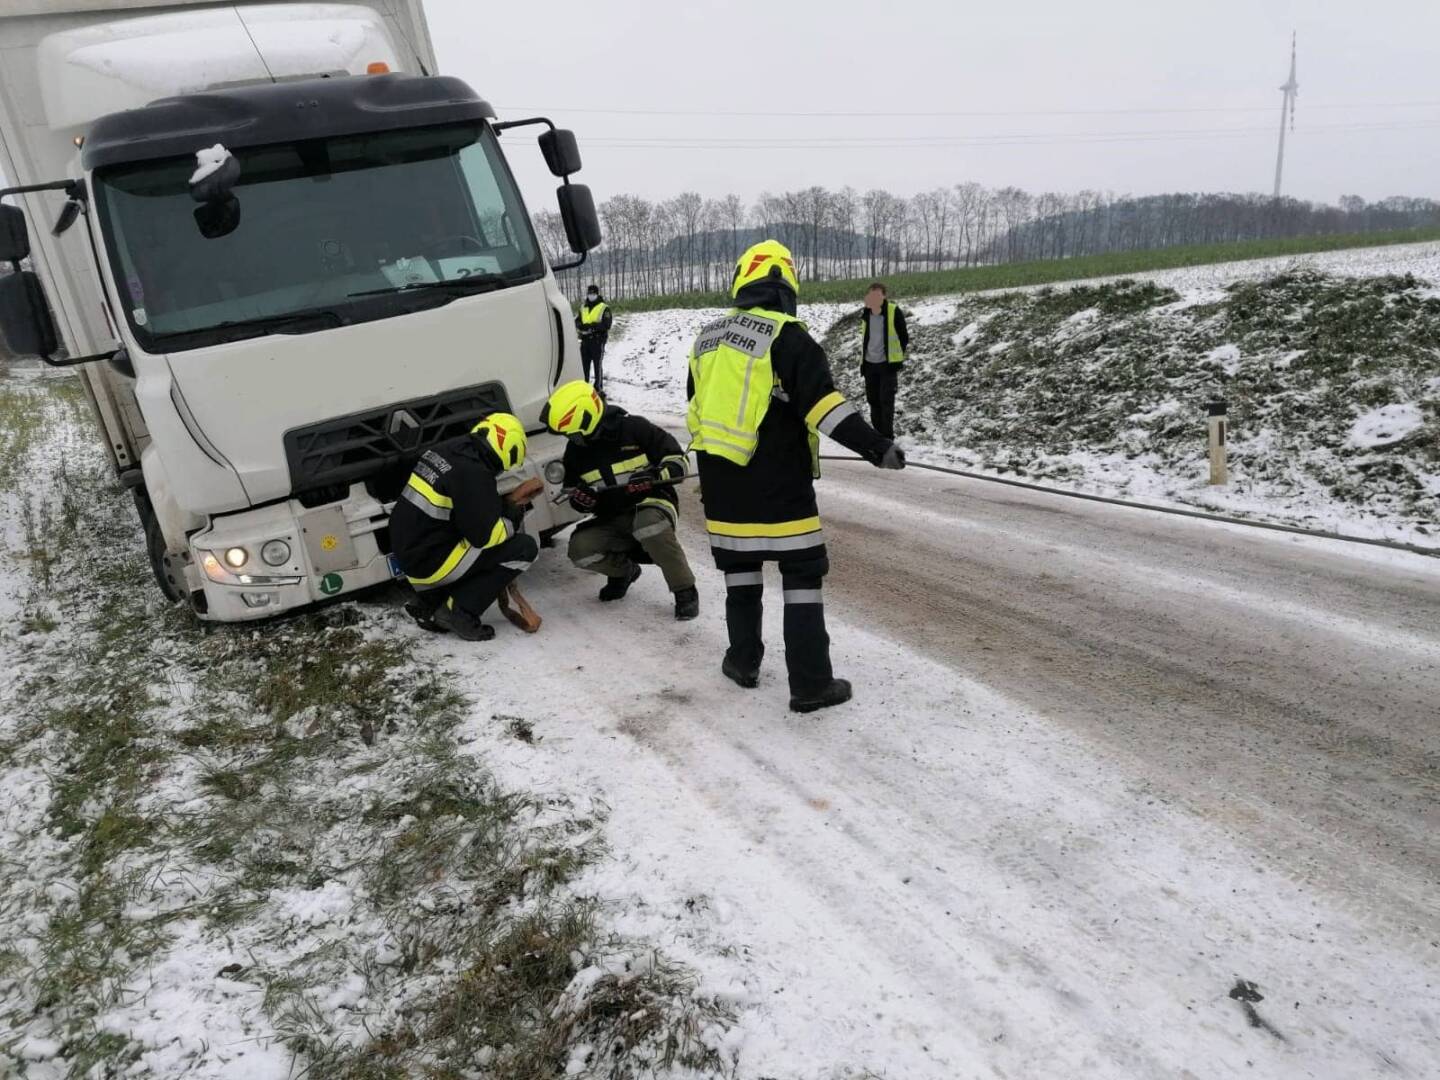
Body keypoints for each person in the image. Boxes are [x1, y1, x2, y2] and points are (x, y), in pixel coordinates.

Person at [688, 240, 905, 713]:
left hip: (722, 488)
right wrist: (877, 447)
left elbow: (698, 410)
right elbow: (824, 408)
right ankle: (809, 685)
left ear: (742, 281)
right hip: (779, 487)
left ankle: (741, 662)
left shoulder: (706, 340)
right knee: (801, 576)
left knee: (740, 574)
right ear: (787, 285)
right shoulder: (788, 337)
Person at [542, 380, 700, 620]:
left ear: (586, 418)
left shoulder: (635, 428)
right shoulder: (575, 452)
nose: (569, 438)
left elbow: (679, 460)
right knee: (580, 549)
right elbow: (572, 492)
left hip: (653, 505)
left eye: (570, 432)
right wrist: (583, 501)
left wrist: (656, 475)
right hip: (612, 516)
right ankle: (623, 573)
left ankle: (685, 589)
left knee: (648, 525)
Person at [389, 412, 538, 641]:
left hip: (411, 553)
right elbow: (486, 538)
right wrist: (513, 515)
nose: (500, 471)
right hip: (429, 564)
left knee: (470, 548)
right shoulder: (474, 473)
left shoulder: (449, 450)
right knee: (524, 548)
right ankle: (459, 612)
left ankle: (433, 599)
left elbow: (462, 509)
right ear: (506, 451)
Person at [857, 282, 909, 440]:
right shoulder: (866, 314)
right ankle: (878, 434)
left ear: (884, 296)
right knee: (873, 401)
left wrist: (896, 356)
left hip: (887, 366)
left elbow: (903, 337)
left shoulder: (893, 311)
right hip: (869, 365)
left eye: (878, 295)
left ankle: (887, 436)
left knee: (886, 401)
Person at [575, 284, 612, 392]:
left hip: (598, 340)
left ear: (597, 294)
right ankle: (585, 388)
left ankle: (598, 388)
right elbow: (577, 320)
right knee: (584, 366)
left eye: (593, 293)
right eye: (589, 293)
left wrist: (592, 327)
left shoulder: (604, 307)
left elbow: (607, 324)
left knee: (597, 365)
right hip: (585, 340)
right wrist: (580, 326)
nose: (591, 295)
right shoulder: (583, 307)